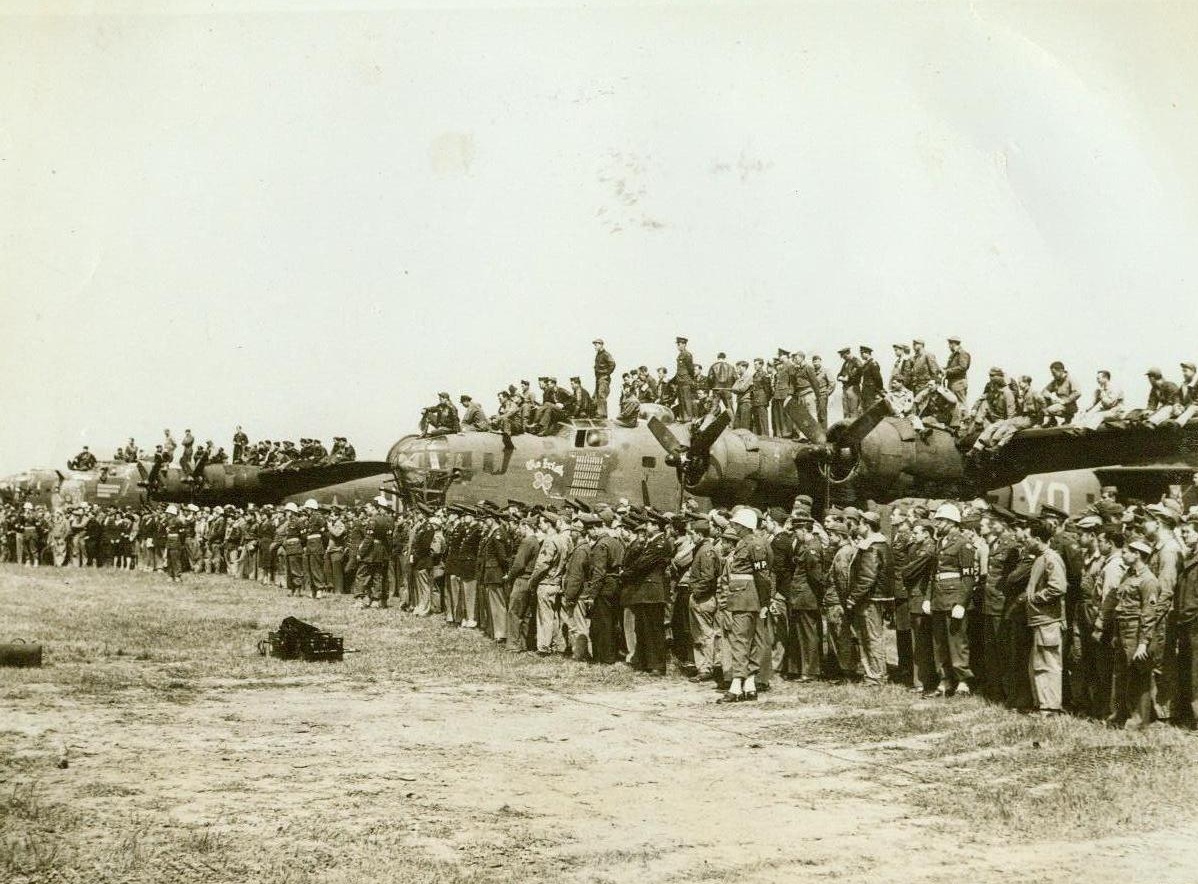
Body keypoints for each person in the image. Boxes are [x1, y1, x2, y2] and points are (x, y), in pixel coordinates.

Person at [1104, 538, 1160, 728]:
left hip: (1136, 631)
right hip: (1122, 629)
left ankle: (1139, 720)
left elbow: (1149, 613)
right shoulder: (1128, 575)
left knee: (1138, 675)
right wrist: (1114, 634)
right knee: (1120, 675)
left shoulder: (1148, 580)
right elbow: (1119, 606)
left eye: (1127, 552)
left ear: (1138, 554)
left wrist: (1143, 643)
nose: (1123, 554)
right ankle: (1119, 715)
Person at [924, 503, 974, 697]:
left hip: (954, 599)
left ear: (953, 522)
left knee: (957, 642)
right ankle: (944, 680)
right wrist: (928, 598)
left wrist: (961, 603)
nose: (937, 524)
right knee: (940, 643)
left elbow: (968, 577)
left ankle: (963, 682)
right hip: (938, 598)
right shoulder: (939, 543)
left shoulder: (963, 544)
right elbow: (933, 574)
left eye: (941, 520)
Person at [1024, 519, 1067, 715]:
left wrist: (1035, 598)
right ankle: (1043, 704)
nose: (1025, 541)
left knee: (1048, 663)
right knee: (1039, 663)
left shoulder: (1051, 558)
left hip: (1047, 620)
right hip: (1040, 619)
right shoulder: (1041, 557)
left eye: (1028, 538)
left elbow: (1058, 587)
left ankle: (1050, 707)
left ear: (1038, 539)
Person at [1042, 361, 1081, 425]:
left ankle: (1068, 418)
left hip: (1069, 405)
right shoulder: (1055, 381)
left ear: (1061, 370)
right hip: (1059, 404)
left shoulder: (1070, 379)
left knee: (1049, 410)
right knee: (1042, 400)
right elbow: (1044, 391)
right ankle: (1052, 420)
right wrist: (1051, 396)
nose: (1053, 375)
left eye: (1054, 373)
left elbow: (1077, 393)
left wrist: (1065, 401)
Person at [769, 350, 794, 437]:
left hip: (785, 393)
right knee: (779, 414)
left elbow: (792, 381)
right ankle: (781, 433)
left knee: (785, 414)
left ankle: (787, 432)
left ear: (785, 356)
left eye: (780, 355)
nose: (779, 357)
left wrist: (790, 393)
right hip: (778, 394)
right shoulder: (782, 366)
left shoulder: (790, 365)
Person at [672, 336, 697, 420]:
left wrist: (690, 379)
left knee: (686, 400)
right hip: (680, 381)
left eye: (679, 344)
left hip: (685, 380)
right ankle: (683, 418)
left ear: (684, 344)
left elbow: (690, 368)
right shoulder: (680, 355)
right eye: (678, 344)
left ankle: (688, 418)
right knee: (681, 400)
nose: (678, 346)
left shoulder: (687, 355)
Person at [836, 347, 862, 420]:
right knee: (846, 411)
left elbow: (857, 375)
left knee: (853, 411)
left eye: (844, 356)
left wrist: (847, 378)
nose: (843, 358)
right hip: (845, 388)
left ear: (848, 353)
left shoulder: (857, 362)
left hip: (853, 388)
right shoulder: (845, 363)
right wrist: (842, 378)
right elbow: (839, 375)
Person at [593, 339, 615, 418]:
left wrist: (606, 373)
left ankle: (602, 413)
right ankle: (598, 412)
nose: (595, 347)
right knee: (597, 395)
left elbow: (612, 364)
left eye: (596, 345)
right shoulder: (598, 355)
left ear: (601, 345)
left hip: (603, 378)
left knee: (601, 394)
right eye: (594, 345)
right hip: (598, 377)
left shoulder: (606, 354)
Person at [857, 346, 885, 411]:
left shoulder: (873, 363)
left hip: (871, 391)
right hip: (866, 390)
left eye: (862, 353)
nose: (861, 355)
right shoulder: (866, 364)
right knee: (865, 408)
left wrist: (878, 391)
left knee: (870, 409)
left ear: (867, 353)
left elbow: (878, 379)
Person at [944, 337, 971, 403]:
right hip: (953, 383)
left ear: (953, 344)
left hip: (959, 383)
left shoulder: (962, 353)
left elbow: (962, 367)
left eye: (949, 344)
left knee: (961, 405)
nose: (949, 346)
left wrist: (947, 371)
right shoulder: (954, 355)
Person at [810, 355, 833, 428]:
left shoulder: (825, 371)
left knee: (822, 414)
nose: (816, 363)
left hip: (822, 395)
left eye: (817, 361)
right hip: (815, 395)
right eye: (814, 362)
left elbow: (832, 383)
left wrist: (827, 393)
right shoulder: (812, 372)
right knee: (817, 413)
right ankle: (819, 432)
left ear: (820, 361)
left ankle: (824, 431)